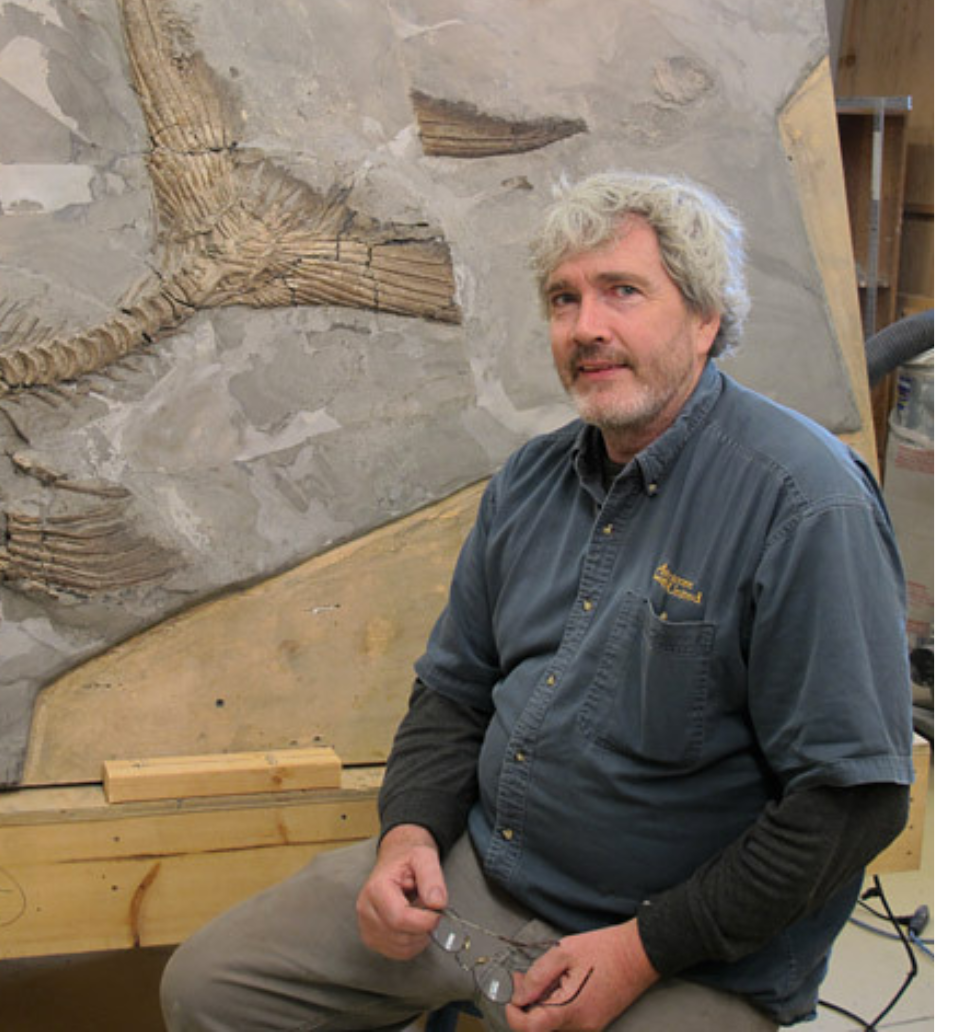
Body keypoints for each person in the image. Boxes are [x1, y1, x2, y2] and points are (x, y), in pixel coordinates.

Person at [161, 172, 915, 1031]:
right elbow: (452, 693)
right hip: (482, 879)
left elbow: (853, 802)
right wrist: (408, 836)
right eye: (564, 299)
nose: (586, 327)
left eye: (622, 292)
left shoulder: (806, 502)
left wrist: (640, 951)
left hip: (683, 952)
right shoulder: (529, 481)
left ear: (705, 319)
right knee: (210, 988)